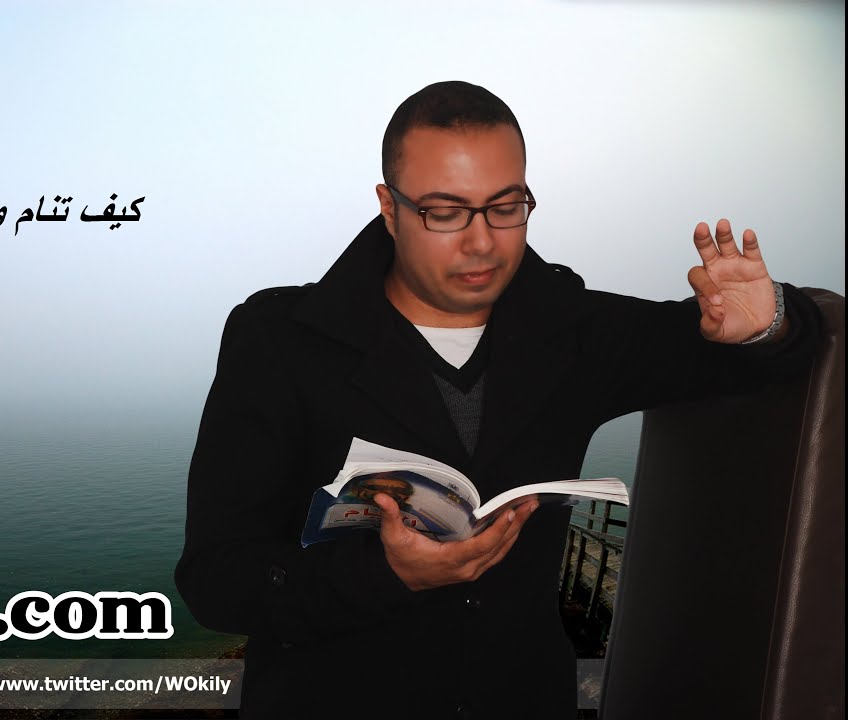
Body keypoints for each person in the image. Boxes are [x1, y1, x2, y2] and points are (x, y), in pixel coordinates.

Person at [174, 81, 822, 719]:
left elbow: (747, 345)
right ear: (389, 208)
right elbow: (215, 579)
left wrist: (766, 322)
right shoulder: (279, 340)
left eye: (506, 206)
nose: (482, 242)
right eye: (445, 212)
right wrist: (384, 575)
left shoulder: (570, 330)